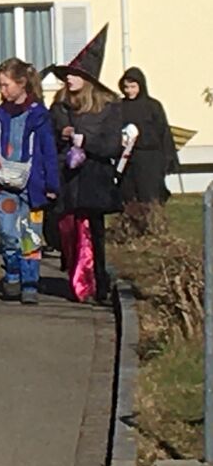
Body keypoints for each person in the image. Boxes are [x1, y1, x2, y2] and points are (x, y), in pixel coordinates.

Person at [45, 26, 123, 304]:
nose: (69, 79)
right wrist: (63, 135)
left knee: (93, 234)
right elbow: (49, 140)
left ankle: (97, 284)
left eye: (74, 74)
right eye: (67, 75)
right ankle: (79, 280)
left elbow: (112, 146)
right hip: (67, 179)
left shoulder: (109, 108)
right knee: (65, 233)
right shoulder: (59, 107)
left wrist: (85, 141)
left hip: (94, 180)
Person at [0, 59, 59, 304]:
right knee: (7, 233)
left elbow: (48, 151)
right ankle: (12, 274)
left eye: (6, 85)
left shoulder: (38, 115)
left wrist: (51, 184)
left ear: (22, 83)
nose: (2, 90)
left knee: (30, 235)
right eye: (0, 85)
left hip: (32, 186)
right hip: (5, 184)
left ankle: (29, 283)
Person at [118, 67, 179, 205]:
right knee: (129, 197)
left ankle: (152, 218)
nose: (129, 91)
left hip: (150, 159)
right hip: (127, 159)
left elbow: (163, 132)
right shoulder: (119, 106)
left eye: (133, 87)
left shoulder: (153, 106)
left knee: (150, 197)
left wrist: (168, 158)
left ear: (141, 86)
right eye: (126, 87)